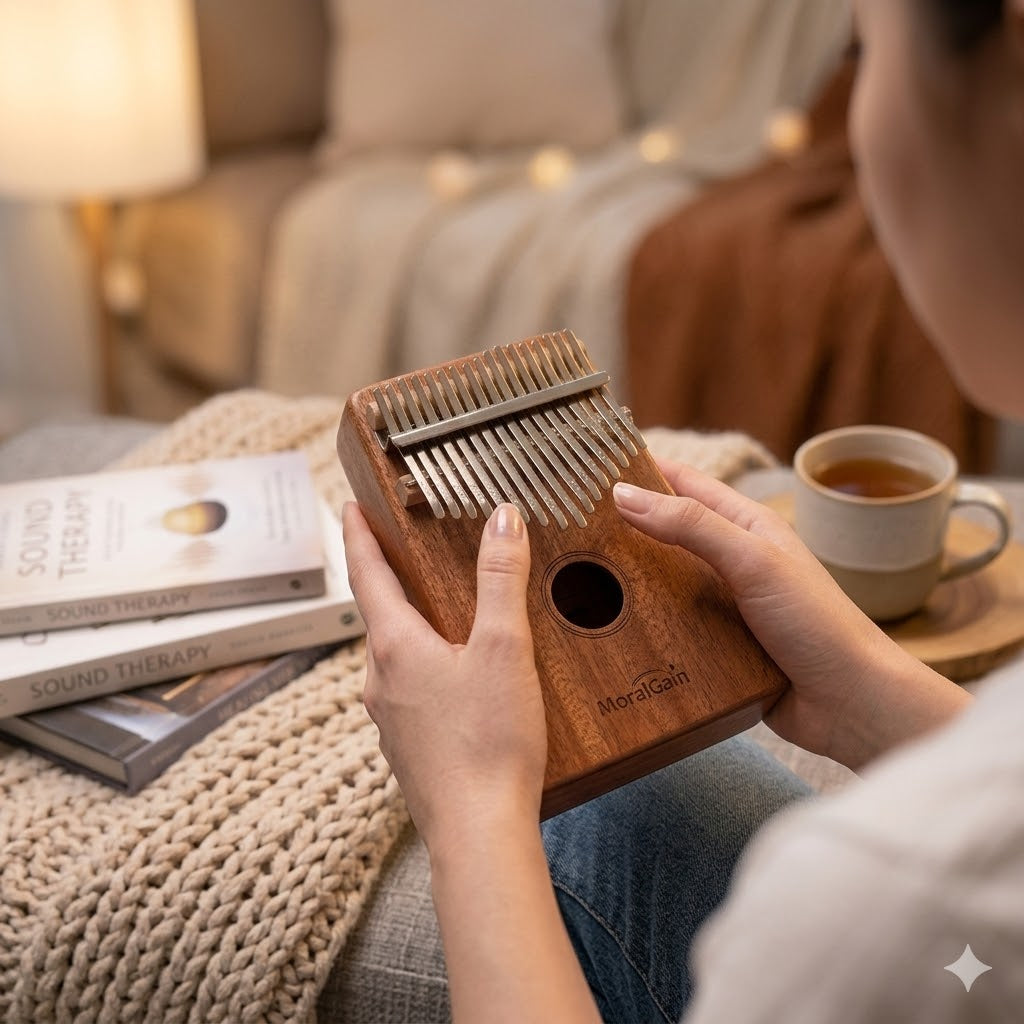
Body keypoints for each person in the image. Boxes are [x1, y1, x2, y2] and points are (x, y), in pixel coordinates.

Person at [341, 0, 1024, 1019]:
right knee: (631, 798)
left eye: (861, 49)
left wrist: (472, 810)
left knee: (574, 822)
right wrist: (873, 697)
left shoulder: (879, 904)